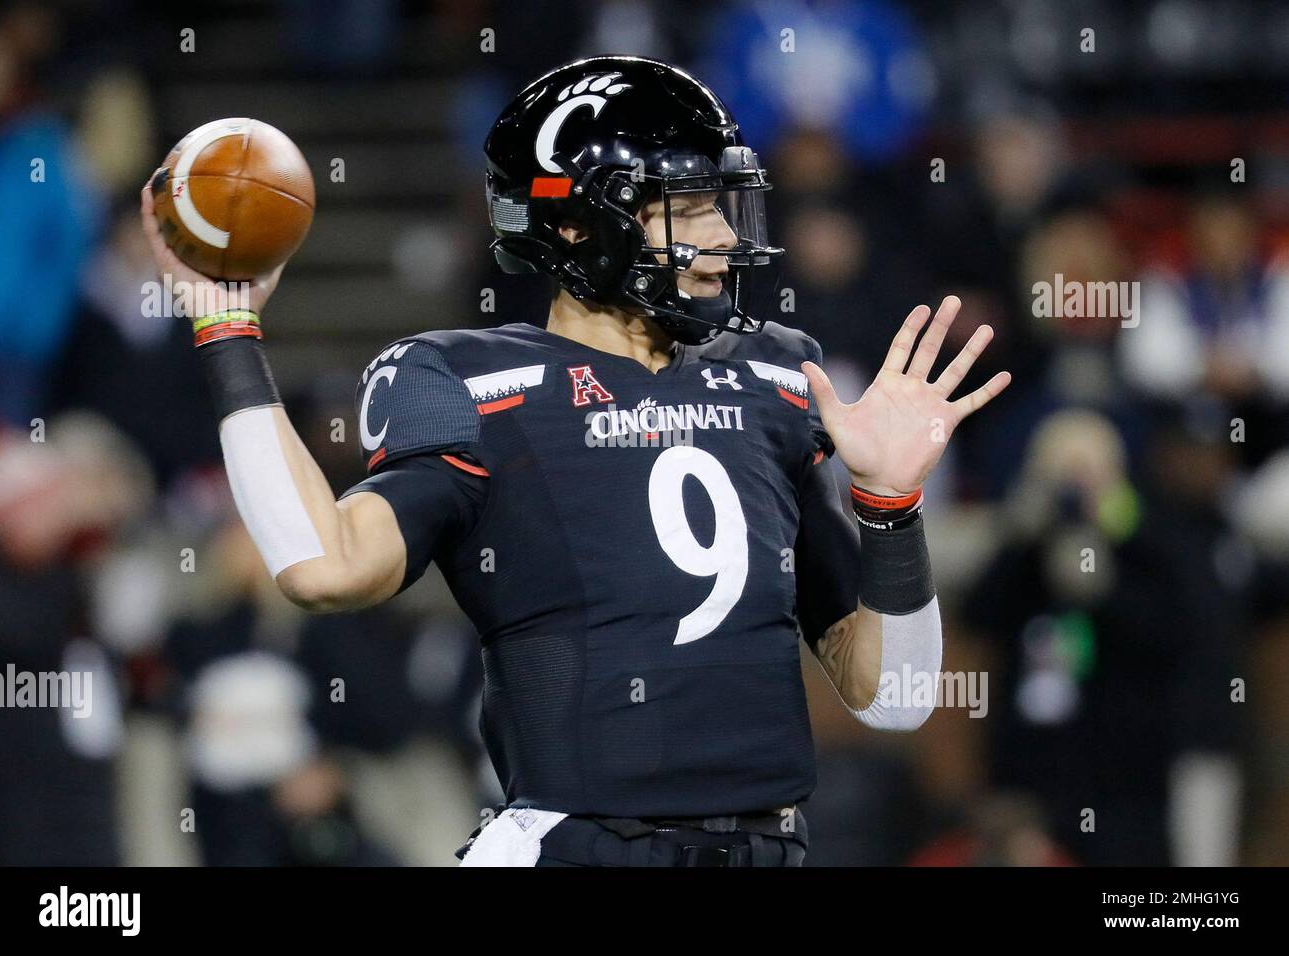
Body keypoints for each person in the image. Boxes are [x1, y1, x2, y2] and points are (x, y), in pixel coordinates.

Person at [140, 55, 1010, 867]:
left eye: (721, 202)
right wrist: (228, 328)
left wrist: (889, 505)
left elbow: (893, 695)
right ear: (572, 220)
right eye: (686, 205)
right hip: (578, 847)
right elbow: (322, 566)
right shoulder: (475, 381)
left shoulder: (773, 376)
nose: (719, 235)